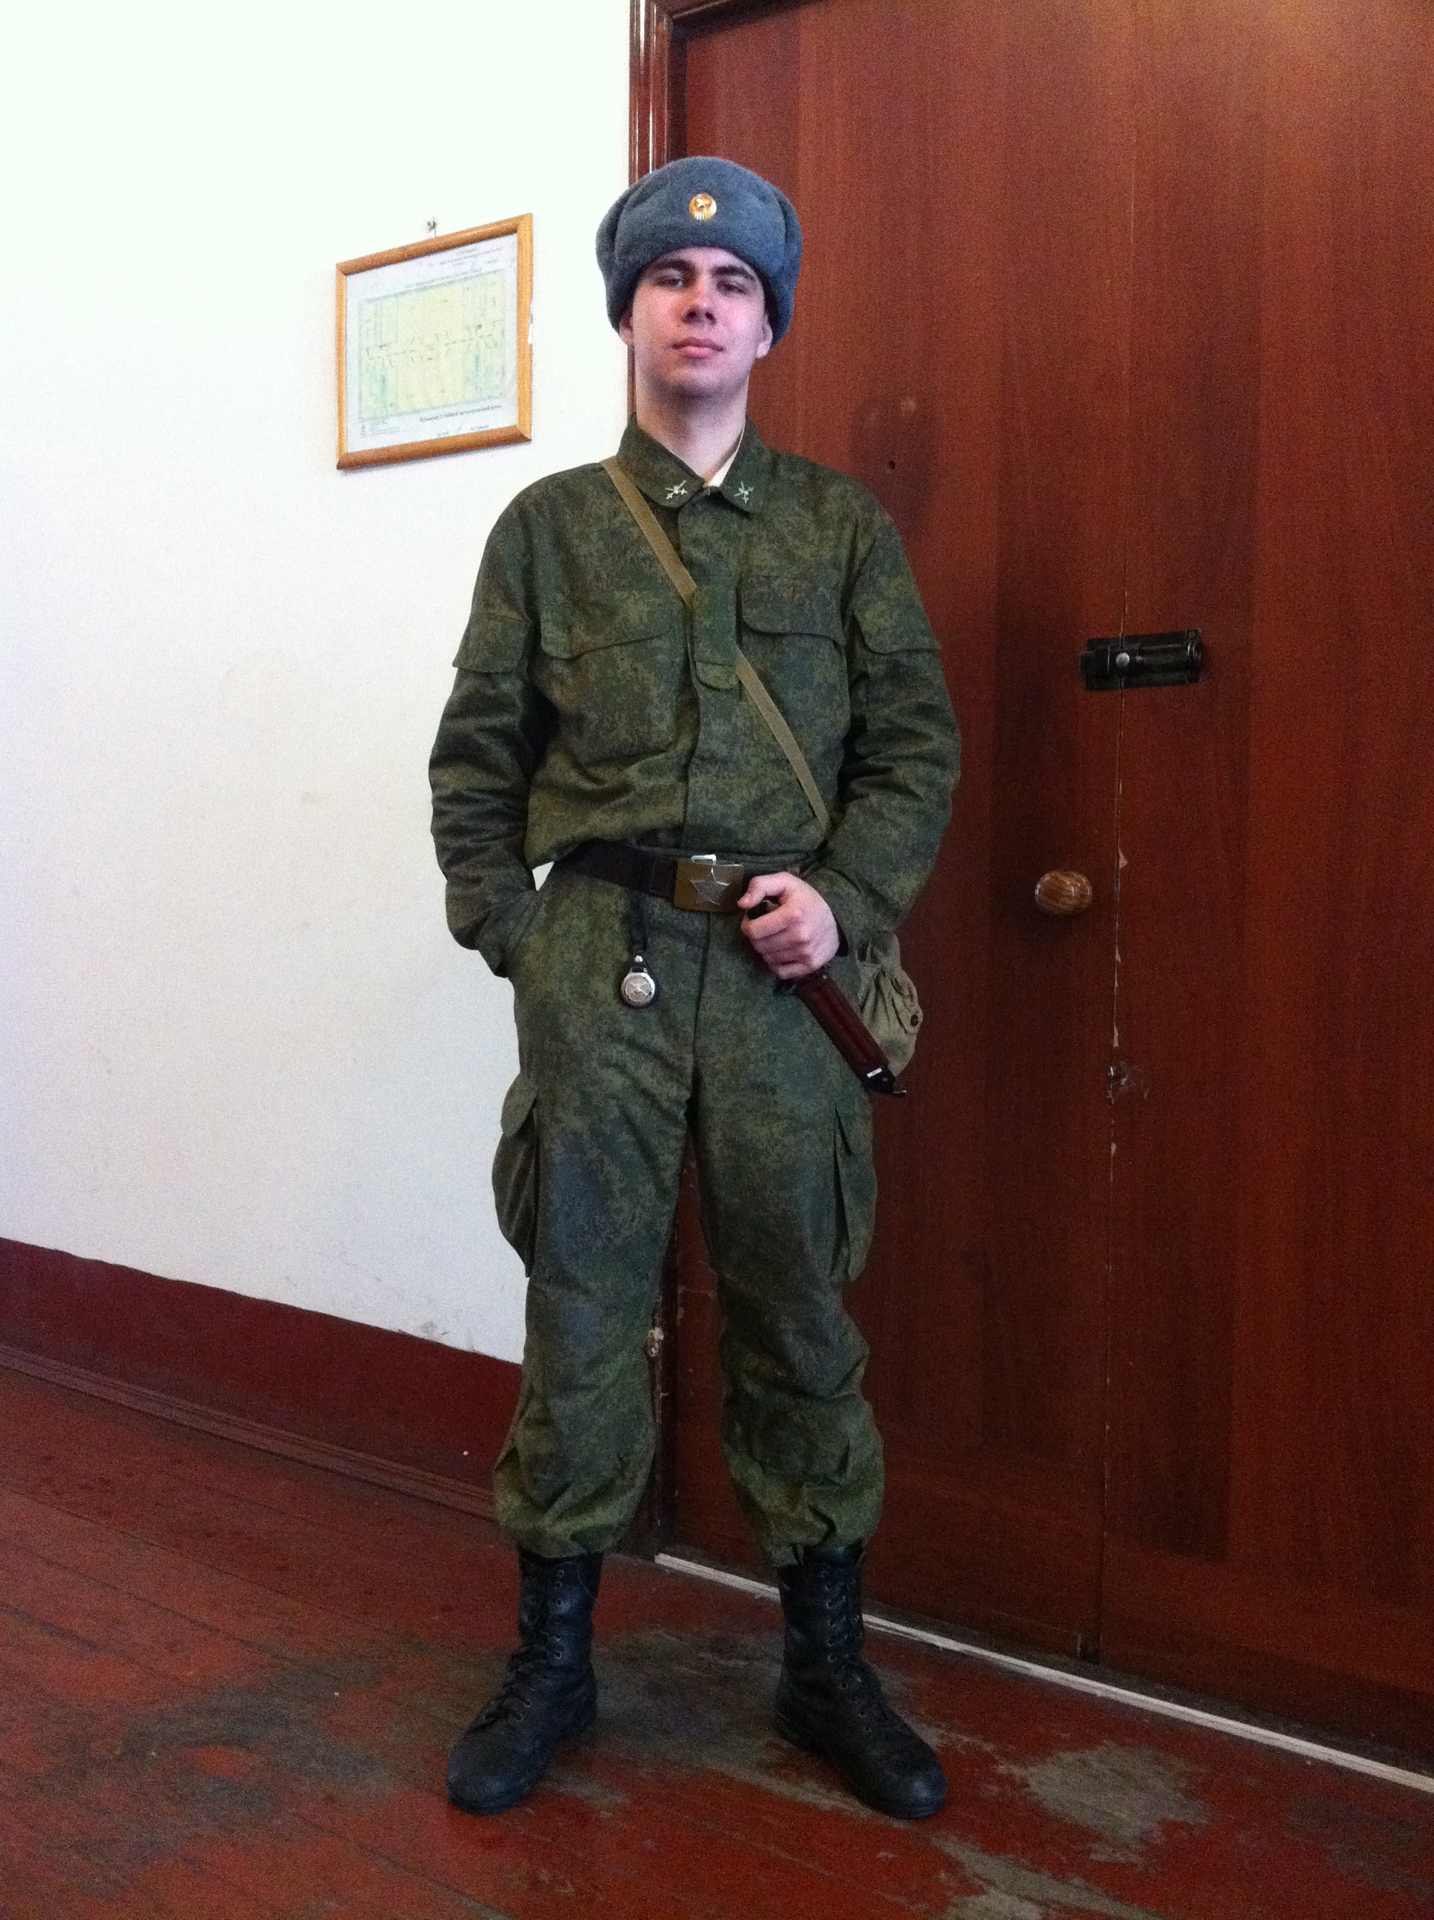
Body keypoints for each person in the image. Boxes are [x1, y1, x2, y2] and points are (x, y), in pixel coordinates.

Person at [429, 156, 960, 1820]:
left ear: (768, 325)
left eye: (732, 287)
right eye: (669, 278)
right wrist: (515, 933)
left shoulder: (839, 528)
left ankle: (822, 1665)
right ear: (628, 311)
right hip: (600, 970)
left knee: (797, 1310)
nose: (700, 306)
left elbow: (913, 749)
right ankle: (552, 1662)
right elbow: (476, 761)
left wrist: (843, 903)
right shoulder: (548, 532)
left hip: (782, 982)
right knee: (579, 1307)